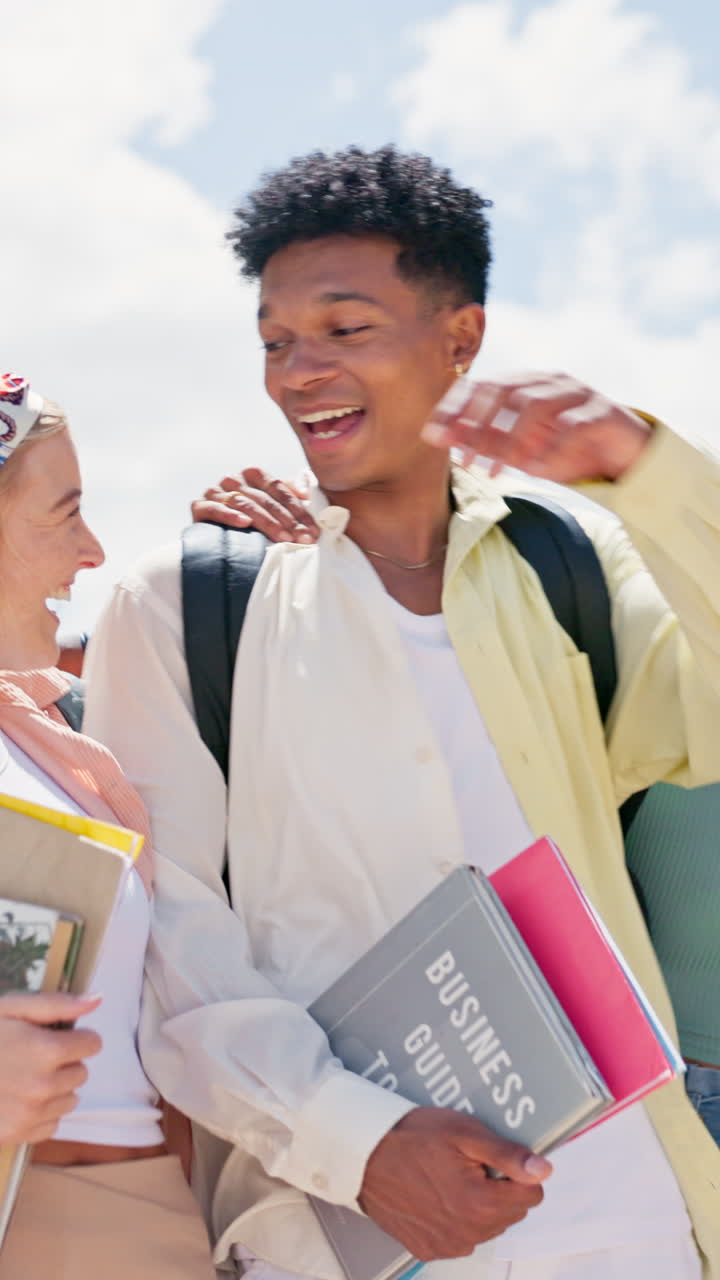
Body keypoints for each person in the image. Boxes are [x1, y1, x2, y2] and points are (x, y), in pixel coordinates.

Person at [83, 147, 720, 1279]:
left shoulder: (568, 560)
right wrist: (360, 1143)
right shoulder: (180, 602)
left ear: (461, 337)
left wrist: (644, 471)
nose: (297, 371)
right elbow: (177, 944)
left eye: (345, 327)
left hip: (630, 1218)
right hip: (341, 1239)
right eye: (276, 340)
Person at [0, 374, 215, 1279]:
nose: (92, 552)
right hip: (44, 1219)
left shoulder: (55, 742)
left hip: (155, 1212)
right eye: (66, 513)